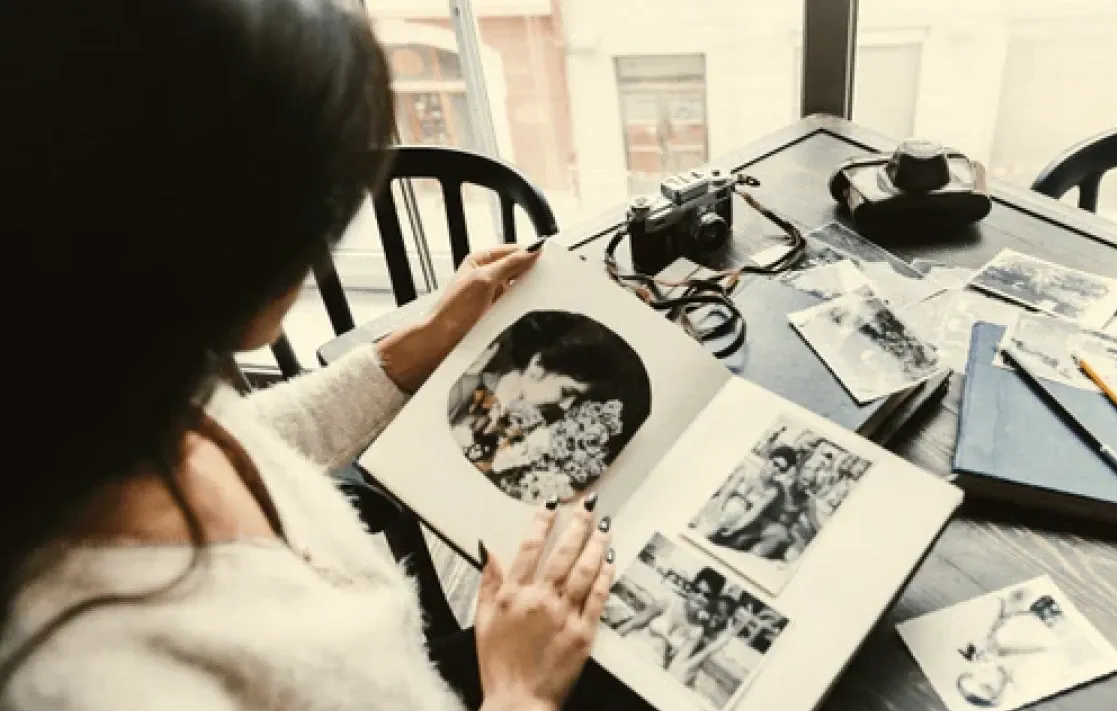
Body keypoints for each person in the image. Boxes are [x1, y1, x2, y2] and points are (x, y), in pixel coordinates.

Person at [0, 3, 635, 711]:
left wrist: (407, 351)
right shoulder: (85, 680)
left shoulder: (110, 391)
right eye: (317, 203)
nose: (324, 239)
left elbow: (254, 433)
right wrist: (519, 691)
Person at [449, 311, 652, 504]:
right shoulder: (463, 390)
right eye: (566, 392)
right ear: (537, 367)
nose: (565, 406)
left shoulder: (533, 427)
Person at [613, 567, 724, 672]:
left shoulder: (697, 631)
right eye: (697, 590)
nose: (699, 597)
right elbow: (632, 623)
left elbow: (675, 667)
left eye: (706, 595)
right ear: (691, 588)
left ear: (711, 601)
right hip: (629, 648)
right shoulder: (668, 601)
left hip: (653, 668)